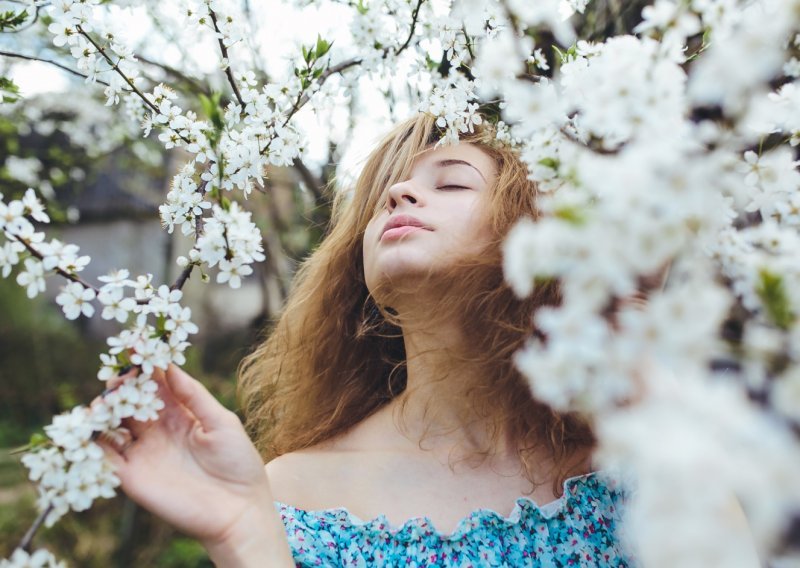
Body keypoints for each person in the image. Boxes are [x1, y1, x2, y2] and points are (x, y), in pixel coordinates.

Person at [100, 113, 637, 567]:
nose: (399, 194)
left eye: (451, 183)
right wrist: (242, 535)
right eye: (384, 198)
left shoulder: (627, 457)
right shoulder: (289, 493)